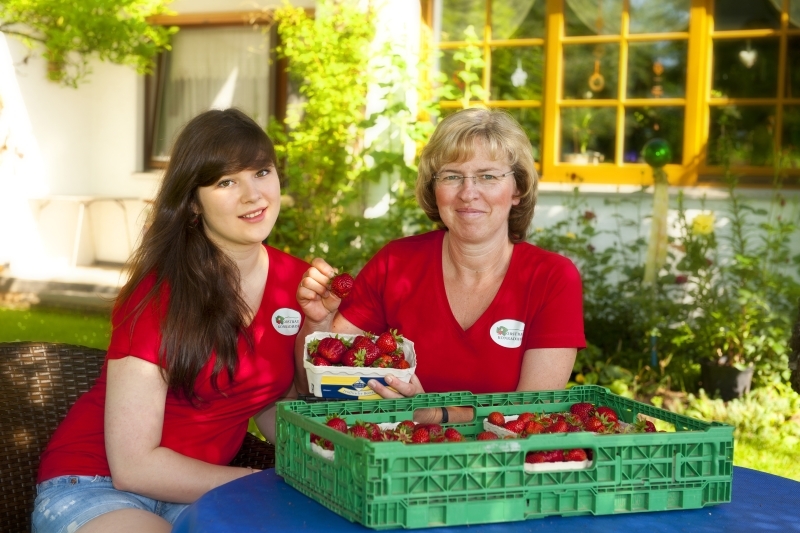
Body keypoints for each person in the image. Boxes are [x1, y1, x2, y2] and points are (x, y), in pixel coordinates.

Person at [33, 109, 308, 533]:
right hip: (97, 485)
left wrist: (325, 462)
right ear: (193, 203)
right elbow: (134, 467)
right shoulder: (159, 296)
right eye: (226, 182)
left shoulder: (297, 282)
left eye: (261, 171)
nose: (253, 195)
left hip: (199, 489)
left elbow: (268, 402)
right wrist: (261, 483)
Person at [295, 107, 585, 423]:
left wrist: (435, 414)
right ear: (435, 189)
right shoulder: (397, 264)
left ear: (517, 188)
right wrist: (318, 324)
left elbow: (531, 416)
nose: (468, 193)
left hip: (501, 468)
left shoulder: (551, 278)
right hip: (397, 460)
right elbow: (319, 388)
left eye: (488, 176)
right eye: (451, 176)